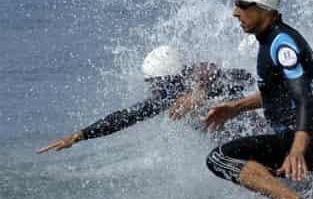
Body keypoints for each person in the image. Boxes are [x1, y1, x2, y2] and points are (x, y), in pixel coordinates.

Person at [204, 0, 313, 199]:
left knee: (220, 158)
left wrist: (297, 149)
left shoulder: (282, 44)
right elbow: (278, 92)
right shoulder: (271, 40)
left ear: (264, 9)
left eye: (242, 5)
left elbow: (304, 98)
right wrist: (236, 107)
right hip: (310, 153)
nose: (234, 12)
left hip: (302, 150)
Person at [37, 45, 257, 153]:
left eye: (159, 84)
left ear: (174, 76)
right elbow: (127, 117)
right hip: (229, 144)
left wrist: (200, 94)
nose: (156, 91)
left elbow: (245, 78)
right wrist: (79, 135)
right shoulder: (166, 96)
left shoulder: (201, 75)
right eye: (153, 85)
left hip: (253, 130)